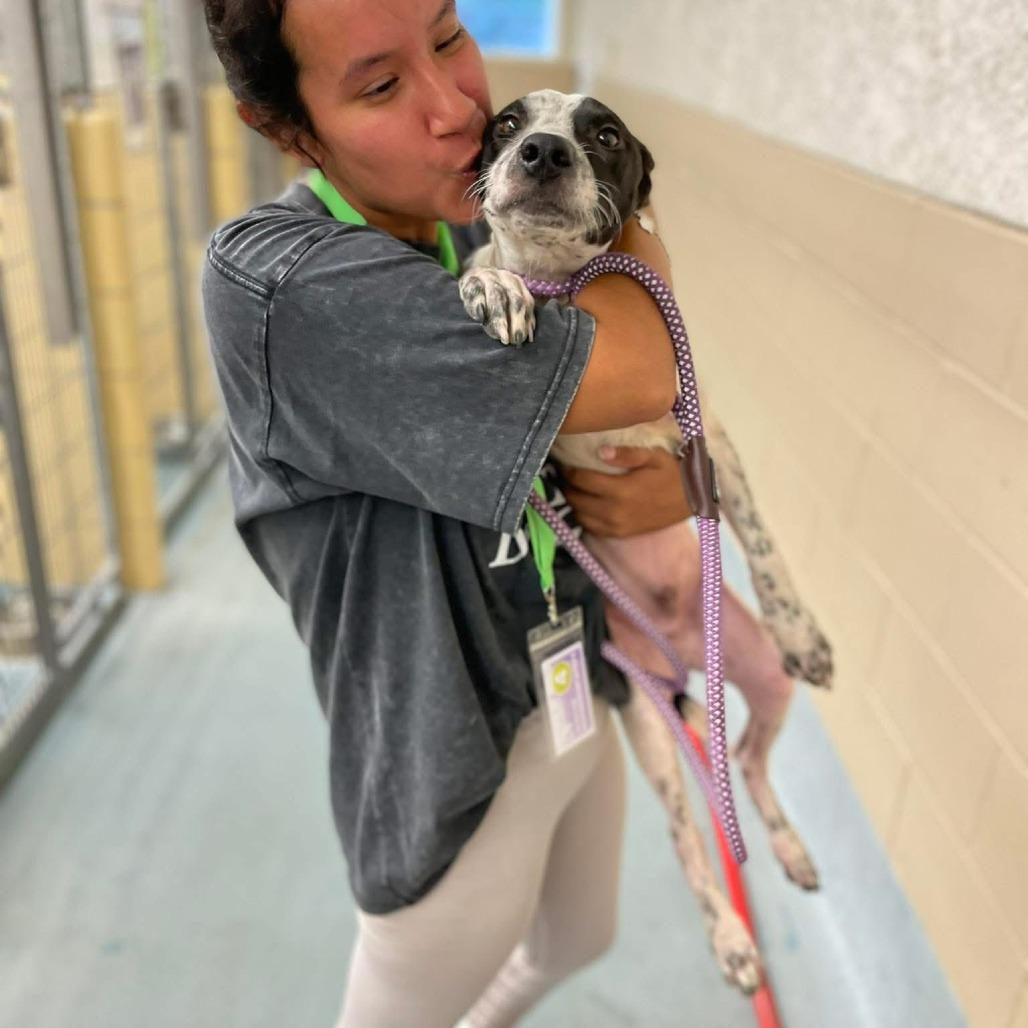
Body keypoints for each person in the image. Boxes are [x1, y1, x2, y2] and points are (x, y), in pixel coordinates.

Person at [201, 1, 692, 1024]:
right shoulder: (280, 282)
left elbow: (638, 416)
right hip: (455, 764)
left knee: (579, 936)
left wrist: (655, 487)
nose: (451, 104)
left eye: (447, 36)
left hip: (568, 679)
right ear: (285, 126)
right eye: (379, 86)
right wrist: (626, 192)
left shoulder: (477, 212)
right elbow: (646, 361)